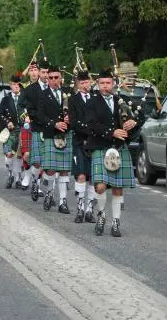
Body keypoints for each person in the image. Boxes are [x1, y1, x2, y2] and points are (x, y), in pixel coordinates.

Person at [85, 69, 141, 237]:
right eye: (102, 83)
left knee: (117, 188)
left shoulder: (122, 101)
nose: (105, 86)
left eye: (108, 83)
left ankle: (116, 222)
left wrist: (134, 122)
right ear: (98, 84)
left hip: (118, 148)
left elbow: (139, 117)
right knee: (101, 187)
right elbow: (91, 124)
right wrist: (112, 132)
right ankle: (101, 214)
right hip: (100, 147)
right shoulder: (92, 102)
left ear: (113, 84)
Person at [37, 65, 73, 214]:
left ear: (60, 78)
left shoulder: (69, 94)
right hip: (51, 134)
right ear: (47, 79)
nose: (53, 80)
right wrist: (54, 123)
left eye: (56, 77)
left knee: (64, 170)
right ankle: (50, 193)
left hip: (66, 134)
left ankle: (63, 201)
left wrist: (71, 118)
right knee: (51, 170)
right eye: (50, 77)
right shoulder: (43, 95)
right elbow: (39, 115)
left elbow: (78, 112)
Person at [18, 60, 50, 201]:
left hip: (50, 128)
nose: (33, 72)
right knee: (31, 156)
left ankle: (47, 189)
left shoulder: (55, 87)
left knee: (48, 161)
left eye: (35, 70)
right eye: (31, 70)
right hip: (32, 125)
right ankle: (31, 179)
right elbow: (20, 105)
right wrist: (26, 117)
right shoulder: (27, 88)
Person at [68, 71, 97, 223]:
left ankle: (89, 211)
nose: (86, 85)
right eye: (82, 83)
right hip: (79, 142)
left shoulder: (96, 99)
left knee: (92, 177)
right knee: (81, 175)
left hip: (95, 143)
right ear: (78, 85)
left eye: (87, 82)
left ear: (90, 83)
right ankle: (79, 210)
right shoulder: (73, 100)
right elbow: (73, 122)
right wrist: (91, 129)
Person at [0, 74, 28, 189]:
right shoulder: (6, 99)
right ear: (10, 85)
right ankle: (10, 175)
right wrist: (7, 122)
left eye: (17, 84)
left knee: (20, 155)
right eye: (13, 84)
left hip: (23, 129)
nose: (16, 86)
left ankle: (19, 177)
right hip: (11, 130)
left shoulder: (25, 97)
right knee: (9, 153)